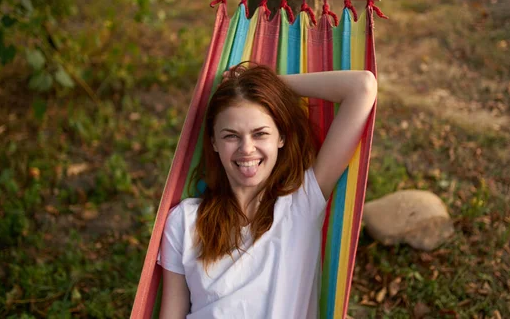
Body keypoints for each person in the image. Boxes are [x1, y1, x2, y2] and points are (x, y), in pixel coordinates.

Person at [157, 63, 377, 319]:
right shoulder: (184, 220)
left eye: (260, 134)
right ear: (214, 142)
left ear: (280, 138)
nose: (246, 149)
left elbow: (362, 87)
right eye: (231, 136)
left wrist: (269, 84)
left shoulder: (302, 202)